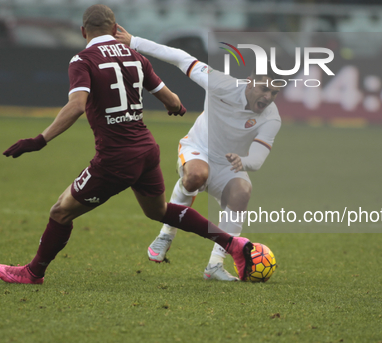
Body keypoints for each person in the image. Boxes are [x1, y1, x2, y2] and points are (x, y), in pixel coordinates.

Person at [0, 4, 254, 284]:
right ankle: (232, 243)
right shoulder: (136, 58)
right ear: (116, 30)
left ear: (83, 32)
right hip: (146, 151)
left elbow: (77, 105)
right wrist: (174, 107)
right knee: (159, 211)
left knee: (61, 211)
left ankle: (33, 272)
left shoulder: (82, 60)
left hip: (115, 158)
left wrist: (40, 140)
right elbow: (173, 100)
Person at [114, 26, 282, 281]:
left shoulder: (272, 117)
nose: (268, 97)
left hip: (229, 163)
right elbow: (182, 58)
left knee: (242, 192)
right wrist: (134, 41)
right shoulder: (222, 85)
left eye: (274, 93)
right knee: (195, 176)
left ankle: (215, 265)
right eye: (264, 89)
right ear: (249, 82)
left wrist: (244, 161)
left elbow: (257, 160)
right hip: (198, 149)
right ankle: (166, 234)